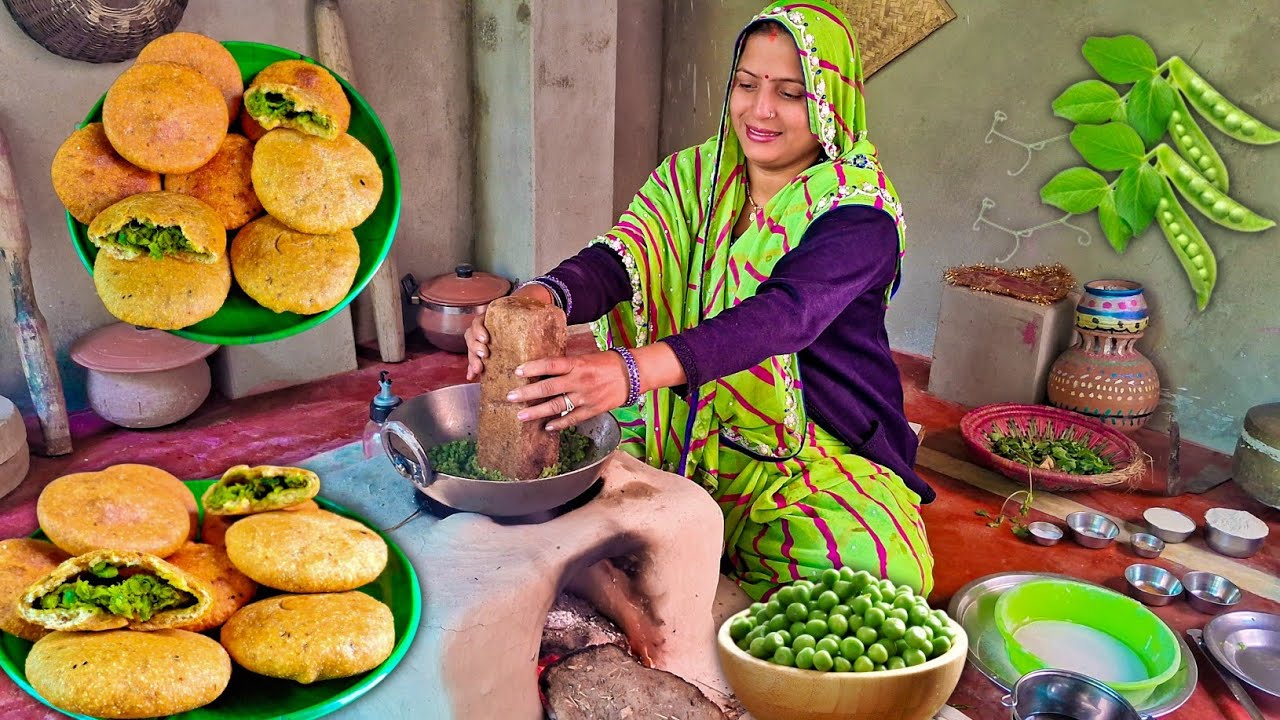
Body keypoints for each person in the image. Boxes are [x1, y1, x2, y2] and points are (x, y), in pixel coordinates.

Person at [465, 0, 934, 601]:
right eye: (746, 84)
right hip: (678, 416)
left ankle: (673, 553)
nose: (760, 110)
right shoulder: (696, 175)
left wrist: (631, 371)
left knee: (877, 577)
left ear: (829, 100)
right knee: (566, 473)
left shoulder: (859, 211)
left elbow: (784, 316)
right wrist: (536, 300)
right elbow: (623, 254)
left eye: (791, 93)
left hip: (807, 444)